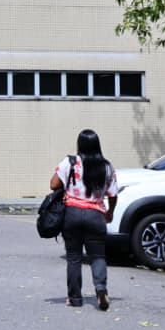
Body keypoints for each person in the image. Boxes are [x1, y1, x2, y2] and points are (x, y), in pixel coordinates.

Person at [49, 129, 119, 311]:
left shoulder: (71, 162)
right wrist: (110, 212)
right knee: (97, 256)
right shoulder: (107, 166)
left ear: (79, 144)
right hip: (95, 214)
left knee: (74, 258)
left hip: (72, 213)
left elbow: (53, 184)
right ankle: (101, 289)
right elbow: (113, 194)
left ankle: (74, 298)